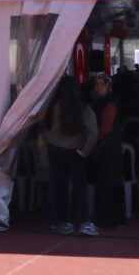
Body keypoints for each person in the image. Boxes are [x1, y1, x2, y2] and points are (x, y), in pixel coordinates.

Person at [43, 78, 98, 236]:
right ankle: (84, 222)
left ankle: (61, 222)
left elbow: (44, 125)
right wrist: (85, 150)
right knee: (80, 187)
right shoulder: (82, 107)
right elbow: (93, 132)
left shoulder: (54, 106)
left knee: (59, 186)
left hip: (55, 148)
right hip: (75, 150)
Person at [88, 75, 126, 228]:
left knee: (107, 184)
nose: (99, 87)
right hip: (107, 146)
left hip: (108, 148)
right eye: (97, 84)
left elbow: (104, 128)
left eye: (102, 84)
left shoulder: (109, 103)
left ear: (108, 86)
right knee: (108, 184)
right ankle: (113, 220)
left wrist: (92, 142)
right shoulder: (100, 103)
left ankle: (108, 220)